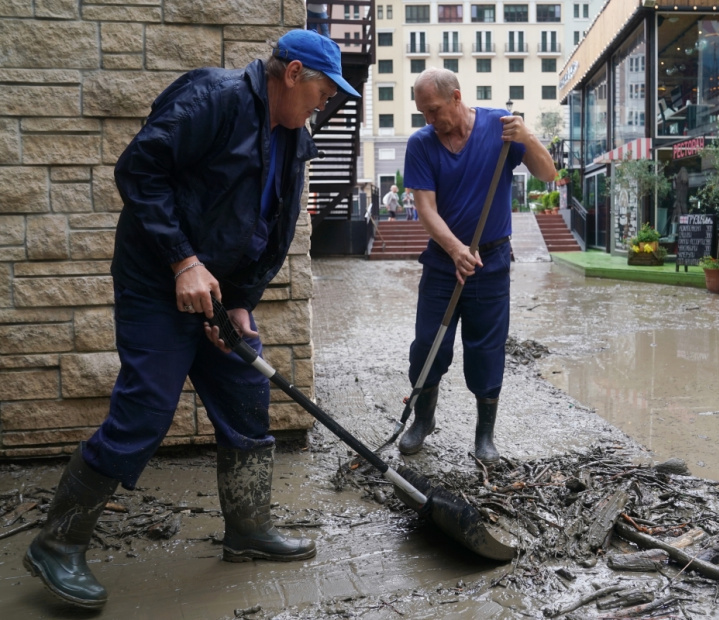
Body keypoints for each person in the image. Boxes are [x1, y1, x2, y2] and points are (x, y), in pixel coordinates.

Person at [22, 29, 360, 610]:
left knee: (246, 394)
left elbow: (270, 230)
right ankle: (58, 543)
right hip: (158, 281)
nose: (325, 103)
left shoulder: (294, 139)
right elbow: (138, 173)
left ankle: (248, 530)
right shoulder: (216, 97)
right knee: (147, 409)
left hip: (216, 292)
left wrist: (238, 302)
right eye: (325, 91)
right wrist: (183, 261)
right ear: (294, 73)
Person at [399, 68, 556, 466]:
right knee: (426, 345)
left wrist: (529, 138)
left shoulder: (501, 129)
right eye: (423, 113)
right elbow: (426, 210)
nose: (430, 120)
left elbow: (548, 174)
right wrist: (454, 250)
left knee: (486, 347)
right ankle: (424, 420)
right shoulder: (421, 144)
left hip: (491, 260)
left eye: (434, 110)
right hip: (442, 261)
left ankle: (485, 435)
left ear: (456, 97)